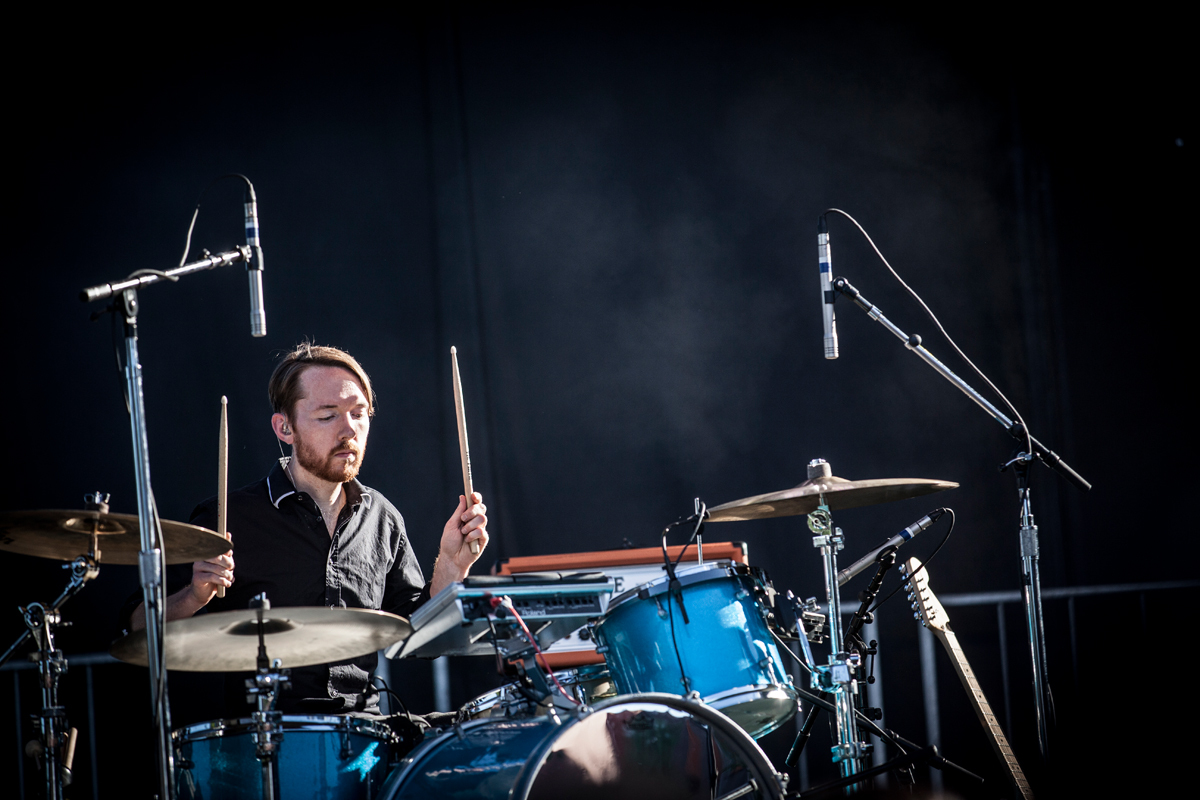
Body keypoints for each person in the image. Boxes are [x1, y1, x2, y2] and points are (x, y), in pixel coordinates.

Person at [125, 343, 488, 715]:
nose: (349, 429)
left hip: (365, 738)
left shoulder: (382, 517)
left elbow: (421, 637)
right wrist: (194, 596)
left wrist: (451, 564)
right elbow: (137, 627)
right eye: (328, 416)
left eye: (359, 414)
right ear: (285, 428)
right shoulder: (227, 518)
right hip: (265, 740)